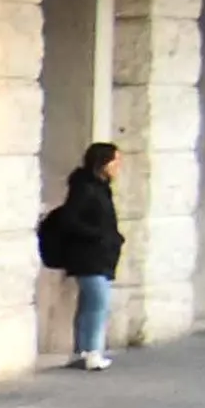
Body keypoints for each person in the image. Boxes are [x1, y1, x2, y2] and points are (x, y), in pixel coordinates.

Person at [41, 142, 123, 368]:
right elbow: (71, 220)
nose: (119, 166)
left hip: (99, 254)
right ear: (103, 163)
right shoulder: (85, 188)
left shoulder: (101, 187)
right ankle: (92, 351)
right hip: (87, 255)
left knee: (90, 303)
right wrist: (99, 236)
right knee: (99, 303)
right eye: (116, 161)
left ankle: (83, 352)